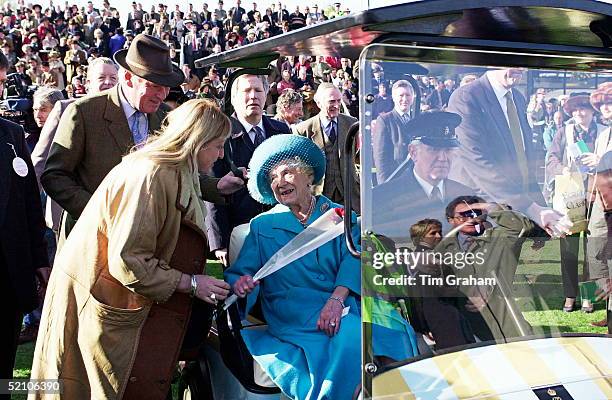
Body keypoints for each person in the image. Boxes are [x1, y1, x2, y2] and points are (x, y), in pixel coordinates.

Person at [30, 99, 231, 399]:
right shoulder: (151, 175)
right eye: (217, 145)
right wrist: (190, 283)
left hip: (118, 298)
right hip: (105, 300)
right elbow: (128, 260)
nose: (221, 153)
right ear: (197, 141)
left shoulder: (174, 169)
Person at [226, 134, 416, 400]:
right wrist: (241, 282)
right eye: (273, 178)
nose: (280, 182)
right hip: (293, 307)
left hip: (342, 298)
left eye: (287, 173)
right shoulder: (262, 226)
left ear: (307, 175)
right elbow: (240, 273)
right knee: (350, 332)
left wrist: (337, 299)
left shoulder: (339, 215)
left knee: (393, 327)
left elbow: (355, 257)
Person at [42, 34, 241, 248]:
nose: (162, 94)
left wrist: (216, 186)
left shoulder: (165, 116)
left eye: (166, 87)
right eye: (155, 85)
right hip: (93, 241)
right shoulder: (83, 113)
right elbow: (55, 176)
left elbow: (177, 170)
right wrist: (100, 212)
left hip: (146, 243)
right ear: (128, 78)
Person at [447, 68, 570, 237]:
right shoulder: (466, 97)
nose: (521, 68)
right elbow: (476, 160)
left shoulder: (517, 98)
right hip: (481, 211)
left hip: (513, 210)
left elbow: (523, 160)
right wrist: (531, 208)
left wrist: (541, 208)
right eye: (514, 62)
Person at [0, 51, 50, 389]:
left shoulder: (13, 134)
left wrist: (39, 261)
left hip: (8, 275)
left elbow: (31, 203)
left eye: (1, 83)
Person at [206, 73, 291, 267]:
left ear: (266, 94)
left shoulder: (281, 131)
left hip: (278, 230)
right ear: (233, 98)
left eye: (258, 90)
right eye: (246, 91)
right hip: (238, 233)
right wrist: (220, 243)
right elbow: (212, 190)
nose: (253, 96)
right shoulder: (221, 134)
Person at [437, 195, 537, 341]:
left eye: (475, 213)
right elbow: (439, 287)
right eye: (463, 216)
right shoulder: (444, 250)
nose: (470, 219)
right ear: (450, 220)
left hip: (513, 317)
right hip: (477, 326)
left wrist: (489, 207)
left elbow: (522, 226)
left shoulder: (499, 236)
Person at [546, 93, 608, 313]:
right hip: (571, 196)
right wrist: (563, 169)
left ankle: (588, 297)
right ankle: (570, 295)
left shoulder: (604, 133)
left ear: (593, 111)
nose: (580, 114)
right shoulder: (565, 132)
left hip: (597, 198)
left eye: (584, 109)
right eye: (575, 110)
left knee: (592, 250)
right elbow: (551, 157)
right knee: (569, 248)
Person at [371, 111, 473, 242]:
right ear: (413, 152)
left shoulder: (466, 197)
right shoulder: (383, 198)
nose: (443, 158)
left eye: (448, 150)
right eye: (434, 150)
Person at [294, 82, 360, 212]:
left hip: (350, 195)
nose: (336, 105)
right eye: (331, 101)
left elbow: (358, 156)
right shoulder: (303, 130)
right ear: (318, 103)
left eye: (338, 100)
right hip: (318, 197)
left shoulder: (352, 123)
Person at [372, 80, 415, 183]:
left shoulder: (419, 118)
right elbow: (380, 158)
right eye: (401, 95)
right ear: (394, 98)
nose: (405, 99)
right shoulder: (384, 120)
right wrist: (384, 188)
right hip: (395, 181)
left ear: (413, 97)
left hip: (416, 184)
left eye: (408, 95)